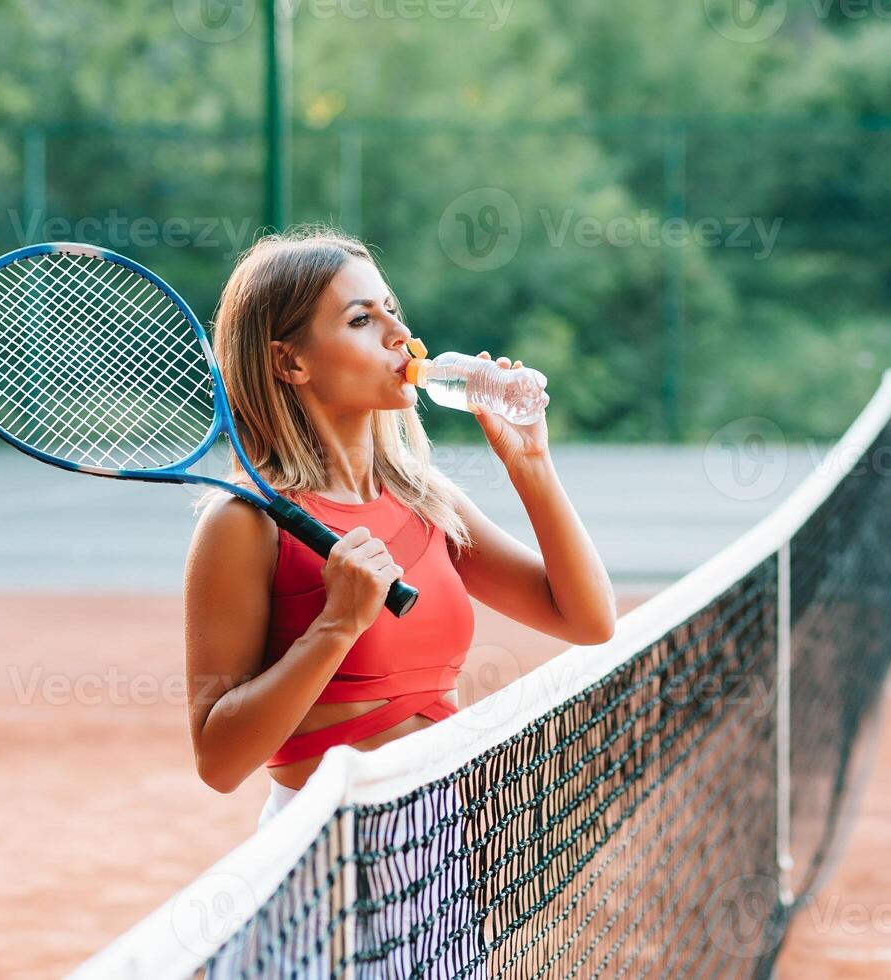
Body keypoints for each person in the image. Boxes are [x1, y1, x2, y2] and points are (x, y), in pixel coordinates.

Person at [183, 225, 617, 971]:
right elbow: (219, 760)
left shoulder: (424, 500)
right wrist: (336, 625)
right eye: (361, 320)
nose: (399, 335)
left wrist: (531, 466)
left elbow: (586, 620)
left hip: (432, 839)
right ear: (289, 361)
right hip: (321, 860)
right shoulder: (242, 525)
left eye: (391, 309)